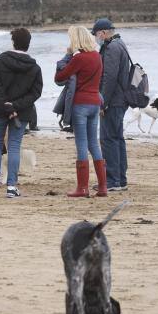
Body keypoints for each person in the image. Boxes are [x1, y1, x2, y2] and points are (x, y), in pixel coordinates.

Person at [0, 28, 43, 199]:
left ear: (13, 42)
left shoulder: (1, 61)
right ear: (28, 44)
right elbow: (35, 93)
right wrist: (16, 105)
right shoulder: (34, 67)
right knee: (14, 146)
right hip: (21, 112)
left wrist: (6, 104)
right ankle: (11, 186)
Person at [54, 25, 106, 197]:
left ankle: (82, 188)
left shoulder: (79, 59)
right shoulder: (97, 57)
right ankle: (102, 187)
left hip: (80, 104)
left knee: (82, 145)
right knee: (94, 144)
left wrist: (67, 55)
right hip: (94, 102)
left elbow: (59, 77)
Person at [93, 17, 131, 192]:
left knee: (109, 139)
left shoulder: (112, 48)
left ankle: (113, 180)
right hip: (120, 99)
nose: (96, 38)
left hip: (114, 101)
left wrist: (102, 103)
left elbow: (109, 77)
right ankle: (121, 179)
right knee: (117, 138)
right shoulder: (120, 43)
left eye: (96, 35)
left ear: (103, 32)